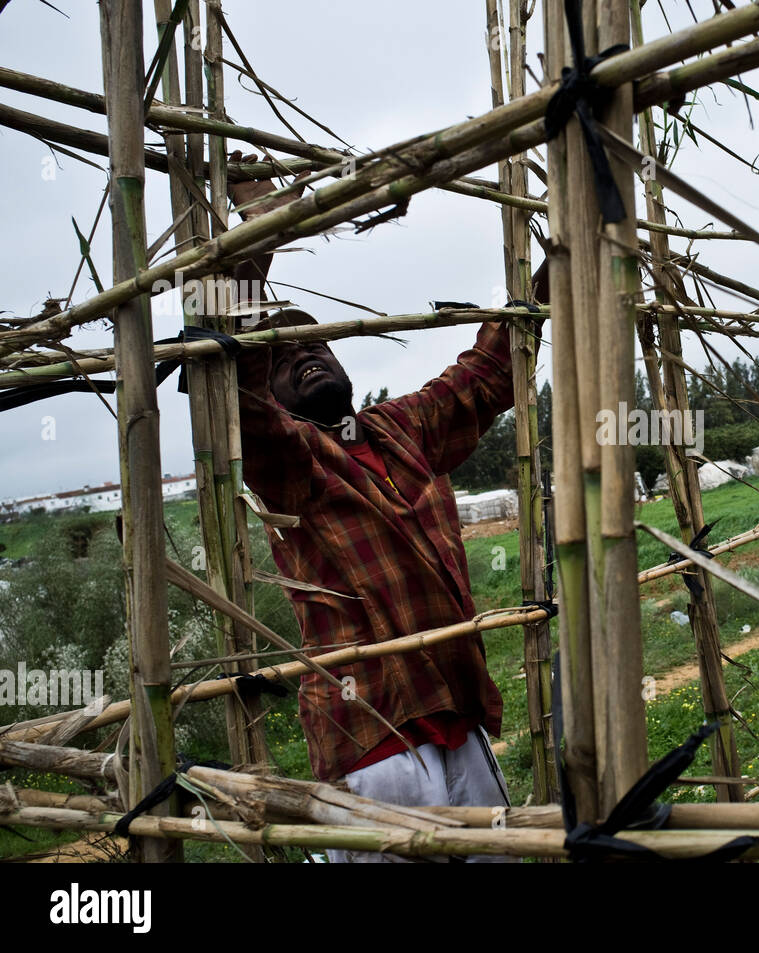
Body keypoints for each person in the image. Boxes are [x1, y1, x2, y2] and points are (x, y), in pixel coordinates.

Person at [227, 153, 545, 860]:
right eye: (283, 357)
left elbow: (486, 375)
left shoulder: (401, 428)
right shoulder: (294, 466)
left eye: (315, 343)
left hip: (457, 715)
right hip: (371, 738)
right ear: (273, 390)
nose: (304, 355)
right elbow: (240, 399)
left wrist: (556, 267)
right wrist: (257, 241)